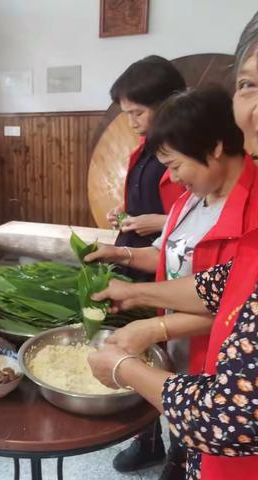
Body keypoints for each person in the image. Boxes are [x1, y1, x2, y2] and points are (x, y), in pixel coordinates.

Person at [88, 10, 258, 480]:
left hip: (217, 404)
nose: (173, 177)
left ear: (214, 147)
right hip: (188, 381)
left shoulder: (249, 216)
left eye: (177, 164)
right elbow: (218, 284)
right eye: (247, 86)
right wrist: (131, 282)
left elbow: (229, 416)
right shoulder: (189, 199)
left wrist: (130, 361)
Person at [107, 55, 186, 282]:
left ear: (167, 104)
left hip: (165, 259)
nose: (132, 122)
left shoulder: (189, 151)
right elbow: (144, 191)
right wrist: (123, 208)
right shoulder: (145, 144)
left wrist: (162, 222)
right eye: (127, 114)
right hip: (132, 252)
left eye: (138, 113)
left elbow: (208, 212)